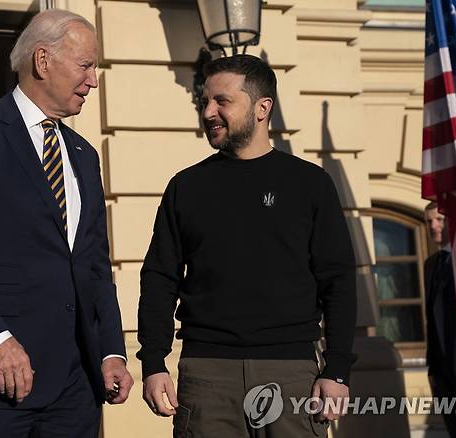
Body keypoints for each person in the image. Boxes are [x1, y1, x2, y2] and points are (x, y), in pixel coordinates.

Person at [0, 9, 132, 438]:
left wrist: (111, 352)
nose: (93, 80)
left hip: (77, 386)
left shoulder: (84, 156)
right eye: (86, 65)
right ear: (42, 59)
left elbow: (92, 264)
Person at [137, 55, 356, 438]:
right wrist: (154, 363)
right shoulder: (185, 188)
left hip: (292, 374)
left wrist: (337, 369)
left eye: (222, 101)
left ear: (262, 107)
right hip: (206, 377)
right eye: (204, 101)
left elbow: (338, 281)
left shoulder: (310, 184)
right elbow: (158, 278)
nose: (208, 112)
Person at [424, 202, 456, 437]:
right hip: (443, 372)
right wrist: (433, 370)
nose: (433, 226)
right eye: (429, 221)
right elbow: (432, 321)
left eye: (439, 219)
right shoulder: (430, 265)